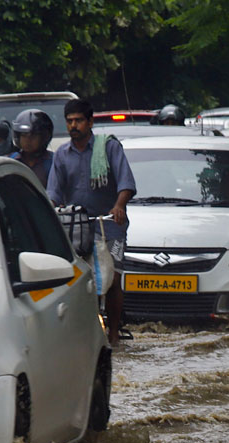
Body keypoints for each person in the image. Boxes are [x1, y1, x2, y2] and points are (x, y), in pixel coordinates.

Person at [47, 99, 136, 345]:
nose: (73, 125)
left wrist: (119, 206)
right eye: (69, 121)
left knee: (113, 279)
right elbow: (53, 193)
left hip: (110, 226)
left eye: (78, 120)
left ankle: (114, 332)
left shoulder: (109, 148)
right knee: (78, 280)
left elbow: (126, 183)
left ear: (90, 122)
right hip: (77, 227)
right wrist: (51, 210)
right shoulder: (62, 155)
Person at [9, 109, 54, 187]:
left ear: (44, 137)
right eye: (24, 135)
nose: (27, 140)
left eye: (33, 135)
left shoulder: (53, 162)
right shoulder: (11, 161)